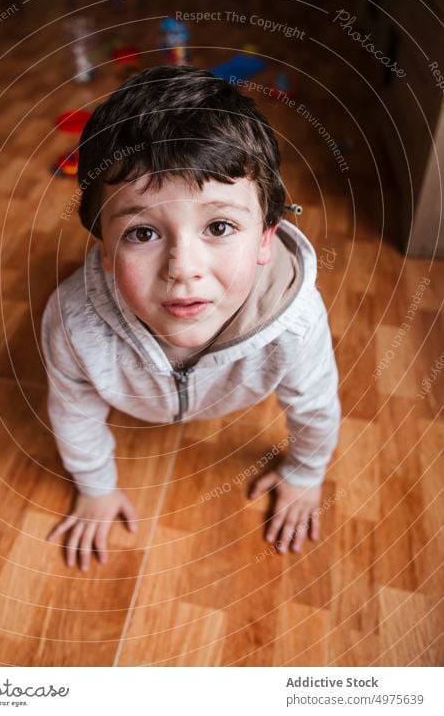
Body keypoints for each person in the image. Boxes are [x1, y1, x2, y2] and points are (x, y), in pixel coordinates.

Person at [41, 65, 341, 571]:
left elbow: (315, 405)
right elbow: (74, 411)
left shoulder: (296, 320)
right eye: (142, 233)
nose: (183, 269)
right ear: (105, 250)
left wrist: (307, 473)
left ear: (266, 237)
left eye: (219, 226)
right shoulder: (73, 323)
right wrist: (95, 488)